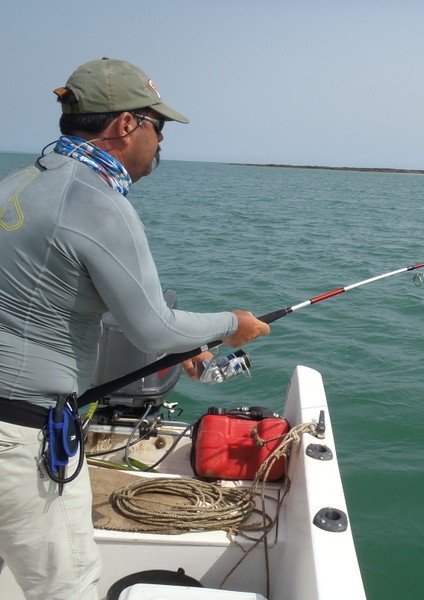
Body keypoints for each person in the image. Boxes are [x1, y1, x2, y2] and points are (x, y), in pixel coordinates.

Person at [0, 58, 270, 600]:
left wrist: (184, 343)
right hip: (21, 433)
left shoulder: (20, 184)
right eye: (157, 125)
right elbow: (153, 327)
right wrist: (230, 325)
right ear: (126, 125)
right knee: (67, 585)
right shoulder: (96, 200)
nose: (161, 141)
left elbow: (50, 287)